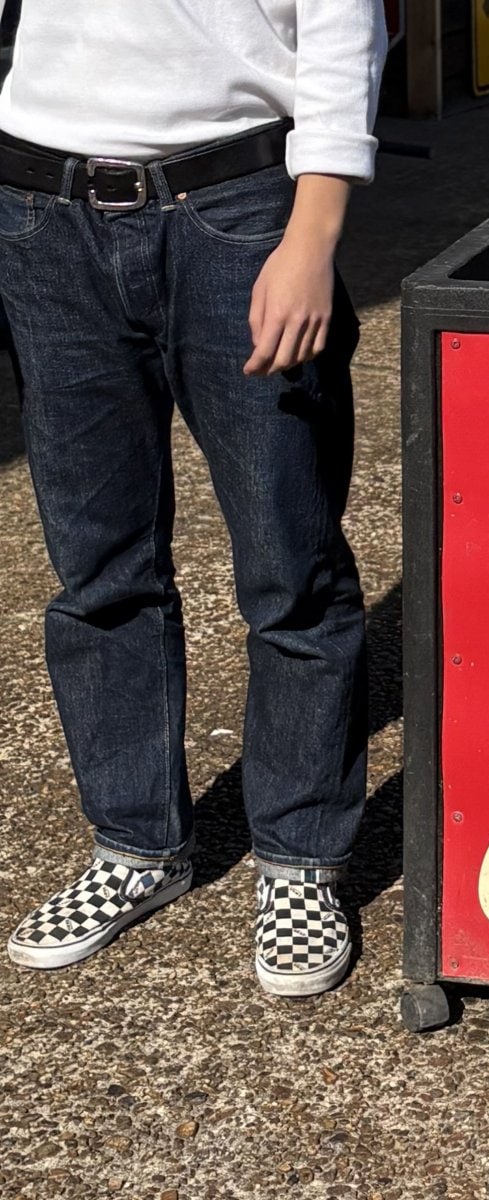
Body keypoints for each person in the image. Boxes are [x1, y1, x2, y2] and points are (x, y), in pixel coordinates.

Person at [0, 1, 388, 997]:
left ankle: (301, 857)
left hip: (237, 212)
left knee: (288, 563)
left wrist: (316, 231)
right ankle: (135, 843)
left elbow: (345, 24)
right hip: (43, 210)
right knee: (98, 568)